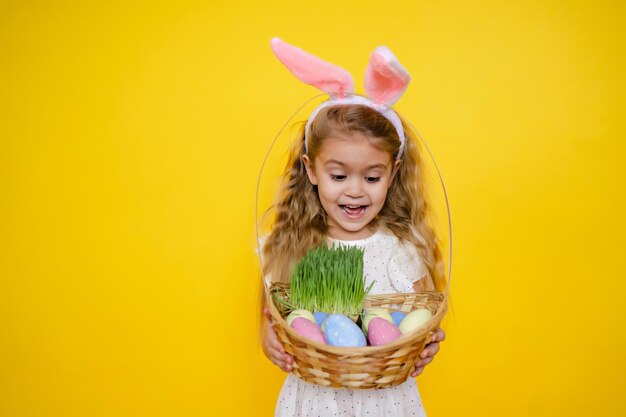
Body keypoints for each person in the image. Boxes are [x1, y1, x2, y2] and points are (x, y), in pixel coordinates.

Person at [259, 38, 447, 417]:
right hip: (315, 400)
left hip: (385, 401)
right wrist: (267, 339)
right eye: (339, 175)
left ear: (393, 173)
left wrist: (426, 341)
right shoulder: (292, 245)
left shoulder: (401, 249)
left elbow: (420, 317)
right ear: (311, 169)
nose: (356, 191)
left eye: (372, 177)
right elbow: (273, 313)